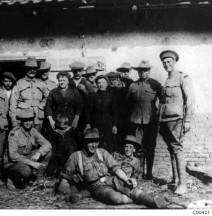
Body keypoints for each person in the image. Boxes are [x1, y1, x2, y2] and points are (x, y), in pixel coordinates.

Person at [57, 129, 167, 208]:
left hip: (111, 179)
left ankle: (152, 201)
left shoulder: (103, 152)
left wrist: (125, 179)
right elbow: (66, 176)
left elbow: (115, 168)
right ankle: (133, 200)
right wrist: (63, 190)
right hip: (97, 188)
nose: (94, 145)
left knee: (129, 187)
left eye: (96, 141)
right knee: (116, 199)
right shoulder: (76, 157)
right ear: (85, 142)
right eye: (91, 141)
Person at [158, 50, 195, 195]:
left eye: (169, 62)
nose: (167, 64)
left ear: (174, 62)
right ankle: (175, 181)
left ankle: (183, 184)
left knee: (178, 150)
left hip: (177, 120)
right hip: (165, 120)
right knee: (171, 150)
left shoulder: (182, 77)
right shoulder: (167, 80)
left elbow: (190, 100)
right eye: (164, 62)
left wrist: (188, 120)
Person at [128, 60, 162, 179]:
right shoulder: (132, 85)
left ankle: (149, 173)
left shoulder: (155, 84)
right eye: (140, 71)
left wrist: (159, 116)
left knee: (150, 147)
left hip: (151, 121)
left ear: (149, 71)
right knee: (138, 147)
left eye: (145, 70)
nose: (142, 73)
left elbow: (163, 100)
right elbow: (128, 103)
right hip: (136, 122)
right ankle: (139, 173)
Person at [4, 109, 52, 189]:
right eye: (25, 120)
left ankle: (38, 179)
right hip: (12, 163)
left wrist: (39, 153)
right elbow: (13, 156)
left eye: (30, 120)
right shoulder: (15, 133)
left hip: (25, 160)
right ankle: (11, 178)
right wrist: (32, 163)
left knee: (48, 152)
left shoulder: (33, 131)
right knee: (26, 172)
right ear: (21, 121)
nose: (28, 123)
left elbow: (48, 144)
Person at [10, 57, 48, 132]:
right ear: (25, 69)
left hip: (37, 118)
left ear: (37, 70)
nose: (32, 71)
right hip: (22, 118)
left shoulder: (41, 83)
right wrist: (13, 120)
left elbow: (47, 97)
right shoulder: (19, 83)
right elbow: (13, 103)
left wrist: (41, 105)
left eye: (34, 69)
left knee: (37, 140)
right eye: (29, 68)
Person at [85, 75, 118, 153]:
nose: (101, 84)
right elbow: (87, 112)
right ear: (96, 84)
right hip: (95, 124)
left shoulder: (111, 97)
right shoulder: (92, 97)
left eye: (103, 82)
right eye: (99, 83)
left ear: (107, 84)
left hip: (108, 124)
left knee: (109, 144)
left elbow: (115, 112)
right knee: (96, 143)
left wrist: (115, 125)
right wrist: (88, 124)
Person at [69, 61, 94, 132]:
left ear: (82, 71)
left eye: (79, 71)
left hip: (84, 113)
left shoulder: (87, 82)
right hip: (71, 112)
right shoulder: (69, 82)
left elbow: (93, 98)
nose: (77, 73)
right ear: (72, 71)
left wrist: (85, 90)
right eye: (75, 71)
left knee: (83, 132)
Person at [37, 61, 57, 137]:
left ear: (49, 71)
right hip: (39, 114)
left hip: (51, 115)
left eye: (46, 71)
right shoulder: (36, 83)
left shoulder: (54, 84)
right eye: (42, 71)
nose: (44, 73)